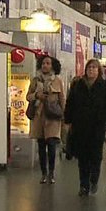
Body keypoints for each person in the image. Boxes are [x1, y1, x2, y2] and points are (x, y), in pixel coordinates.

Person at [64, 58, 106, 196]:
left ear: (99, 70)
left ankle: (93, 179)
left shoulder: (105, 86)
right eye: (89, 67)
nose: (91, 70)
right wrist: (68, 121)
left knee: (95, 155)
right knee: (82, 157)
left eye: (94, 68)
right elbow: (70, 104)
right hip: (80, 126)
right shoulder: (78, 85)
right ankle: (83, 185)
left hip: (97, 126)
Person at [27, 55, 65, 184]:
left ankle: (51, 173)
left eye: (48, 63)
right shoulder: (35, 80)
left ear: (52, 66)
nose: (45, 65)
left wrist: (64, 116)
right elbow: (28, 96)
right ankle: (43, 173)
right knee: (41, 145)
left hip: (53, 117)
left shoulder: (57, 81)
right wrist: (37, 95)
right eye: (43, 63)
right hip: (39, 115)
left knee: (52, 144)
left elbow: (62, 99)